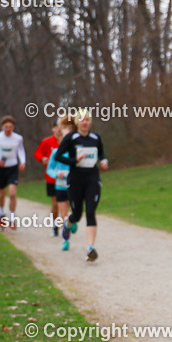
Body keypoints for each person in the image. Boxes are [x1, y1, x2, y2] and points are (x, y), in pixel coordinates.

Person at [54, 109, 108, 261]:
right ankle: (68, 223)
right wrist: (75, 160)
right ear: (77, 122)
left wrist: (104, 161)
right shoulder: (71, 138)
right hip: (75, 180)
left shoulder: (96, 138)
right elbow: (58, 156)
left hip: (92, 179)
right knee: (77, 214)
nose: (85, 122)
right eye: (82, 119)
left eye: (88, 119)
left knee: (91, 211)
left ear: (90, 122)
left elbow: (101, 154)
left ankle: (90, 248)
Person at [0, 115, 26, 229]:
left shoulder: (18, 138)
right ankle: (2, 213)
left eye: (11, 127)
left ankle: (12, 218)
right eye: (6, 126)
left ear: (13, 127)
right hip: (0, 168)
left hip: (12, 167)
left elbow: (21, 150)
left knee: (12, 193)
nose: (8, 129)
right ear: (2, 127)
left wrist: (23, 161)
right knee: (1, 194)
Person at [46, 116, 74, 250]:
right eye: (62, 139)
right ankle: (65, 240)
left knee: (74, 212)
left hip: (74, 186)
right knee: (63, 215)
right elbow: (49, 169)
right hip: (60, 186)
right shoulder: (55, 153)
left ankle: (73, 221)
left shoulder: (74, 152)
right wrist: (57, 174)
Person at [34, 122, 62, 237]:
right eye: (58, 127)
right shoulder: (47, 142)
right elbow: (37, 153)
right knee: (55, 204)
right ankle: (55, 226)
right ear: (53, 129)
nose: (60, 129)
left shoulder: (68, 141)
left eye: (62, 126)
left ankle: (66, 224)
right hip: (51, 178)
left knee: (65, 203)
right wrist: (42, 158)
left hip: (66, 178)